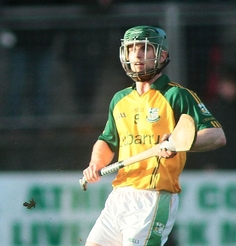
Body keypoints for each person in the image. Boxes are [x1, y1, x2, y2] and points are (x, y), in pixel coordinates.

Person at [82, 25, 226, 246]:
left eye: (144, 49)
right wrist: (95, 164)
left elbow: (216, 135)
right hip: (120, 194)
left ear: (162, 55)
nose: (137, 55)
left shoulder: (177, 95)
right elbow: (107, 140)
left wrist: (180, 144)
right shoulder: (120, 99)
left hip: (153, 196)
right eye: (131, 49)